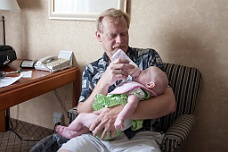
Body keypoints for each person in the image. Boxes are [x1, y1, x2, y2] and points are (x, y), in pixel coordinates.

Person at [58, 8, 176, 152]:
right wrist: (104, 82)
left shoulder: (147, 58)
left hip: (140, 137)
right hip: (96, 136)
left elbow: (169, 103)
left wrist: (118, 112)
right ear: (99, 36)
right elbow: (82, 110)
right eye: (112, 35)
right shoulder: (92, 69)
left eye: (124, 34)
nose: (119, 41)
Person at [56, 66, 168, 140]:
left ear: (150, 85)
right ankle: (75, 134)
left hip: (110, 128)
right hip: (106, 127)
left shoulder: (137, 91)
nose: (141, 71)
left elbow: (132, 104)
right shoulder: (92, 68)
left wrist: (120, 117)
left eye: (145, 72)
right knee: (88, 121)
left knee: (82, 117)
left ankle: (69, 130)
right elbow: (82, 107)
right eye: (112, 36)